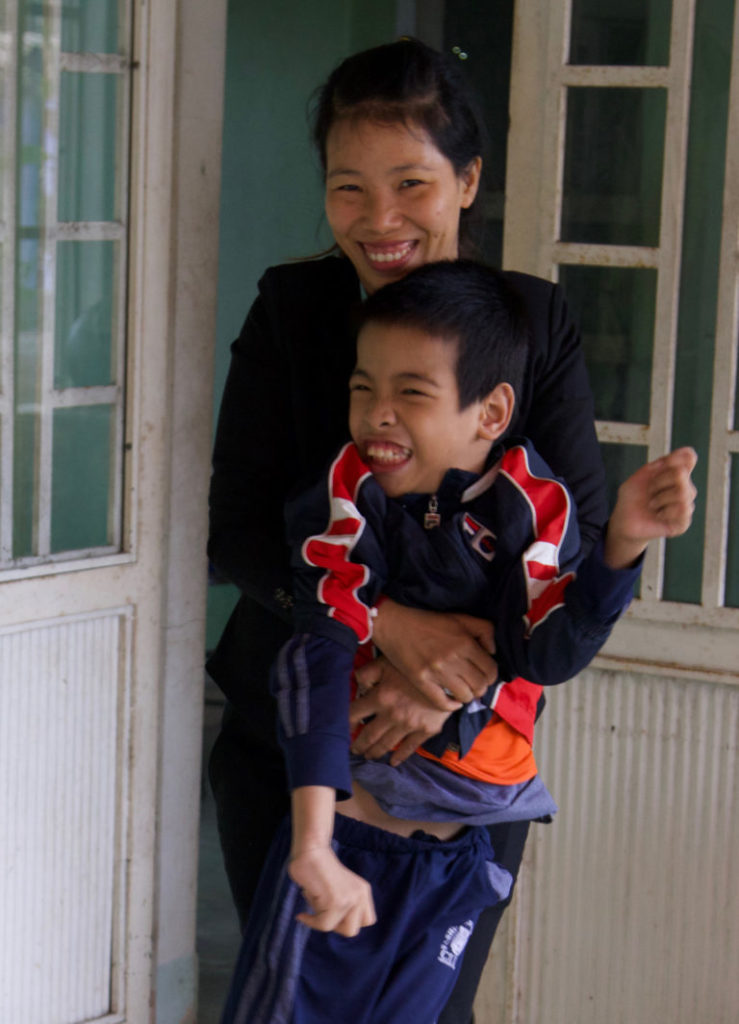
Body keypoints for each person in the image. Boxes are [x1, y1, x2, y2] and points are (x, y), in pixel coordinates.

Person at [208, 37, 608, 1022]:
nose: (379, 221)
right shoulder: (292, 310)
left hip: (468, 759)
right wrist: (386, 625)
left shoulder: (531, 321)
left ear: (468, 180)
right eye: (349, 189)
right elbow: (237, 533)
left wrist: (449, 686)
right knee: (287, 1005)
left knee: (430, 1009)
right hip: (294, 740)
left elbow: (579, 537)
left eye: (411, 184)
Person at [219, 260, 697, 1024]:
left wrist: (621, 550)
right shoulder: (348, 496)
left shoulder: (532, 506)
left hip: (455, 859)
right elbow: (314, 658)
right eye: (361, 388)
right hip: (345, 837)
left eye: (410, 393)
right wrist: (312, 844)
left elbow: (546, 653)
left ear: (490, 410)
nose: (378, 414)